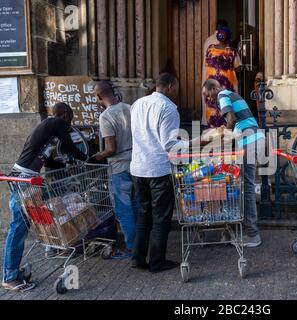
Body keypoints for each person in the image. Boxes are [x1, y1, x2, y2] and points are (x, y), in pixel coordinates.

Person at [2, 103, 88, 292]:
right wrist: (89, 159)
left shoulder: (47, 130)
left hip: (27, 178)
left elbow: (49, 157)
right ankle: (9, 277)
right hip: (24, 180)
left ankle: (52, 247)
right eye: (70, 119)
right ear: (65, 115)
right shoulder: (54, 123)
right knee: (18, 229)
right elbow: (69, 145)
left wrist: (65, 161)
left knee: (39, 215)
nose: (69, 124)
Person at [130, 73, 190, 273]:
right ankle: (157, 261)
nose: (177, 92)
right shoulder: (168, 108)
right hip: (157, 169)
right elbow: (169, 144)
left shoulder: (137, 104)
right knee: (160, 217)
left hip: (138, 167)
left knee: (143, 213)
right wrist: (192, 144)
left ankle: (138, 258)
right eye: (177, 87)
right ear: (170, 86)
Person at [202, 79, 264, 248]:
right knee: (245, 186)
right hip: (252, 139)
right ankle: (247, 230)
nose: (209, 99)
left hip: (249, 141)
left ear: (214, 88)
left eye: (208, 94)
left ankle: (252, 234)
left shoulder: (222, 94)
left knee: (246, 187)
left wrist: (225, 142)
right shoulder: (230, 95)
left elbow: (231, 118)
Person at [93, 81, 138, 260]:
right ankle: (141, 243)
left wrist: (99, 155)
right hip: (136, 162)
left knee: (124, 209)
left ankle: (131, 248)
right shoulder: (130, 108)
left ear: (98, 97)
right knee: (136, 205)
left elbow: (111, 148)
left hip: (119, 167)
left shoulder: (105, 117)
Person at [203, 25, 241, 128]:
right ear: (229, 38)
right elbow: (237, 68)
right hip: (226, 88)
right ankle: (227, 136)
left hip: (211, 87)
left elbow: (207, 64)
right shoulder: (232, 52)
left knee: (213, 110)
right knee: (227, 110)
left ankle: (213, 135)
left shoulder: (210, 50)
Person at [201, 19, 230, 126]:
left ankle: (208, 121)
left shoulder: (208, 41)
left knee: (210, 101)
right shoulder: (225, 43)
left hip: (209, 75)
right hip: (222, 78)